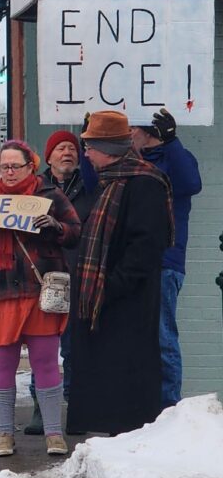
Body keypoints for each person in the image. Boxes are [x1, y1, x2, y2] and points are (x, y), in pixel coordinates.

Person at [0, 140, 80, 458]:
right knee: (2, 365)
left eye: (15, 166)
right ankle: (4, 435)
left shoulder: (50, 196)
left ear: (30, 167)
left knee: (46, 363)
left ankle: (54, 434)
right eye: (3, 167)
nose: (9, 172)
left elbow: (75, 232)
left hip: (39, 294)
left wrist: (56, 227)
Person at [68, 111, 173, 436]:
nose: (86, 154)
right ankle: (111, 433)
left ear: (108, 149)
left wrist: (112, 285)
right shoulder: (111, 181)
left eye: (90, 147)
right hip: (107, 298)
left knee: (127, 374)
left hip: (128, 299)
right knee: (107, 372)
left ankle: (126, 437)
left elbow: (146, 245)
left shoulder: (144, 183)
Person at [22, 130, 97, 435]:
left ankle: (77, 409)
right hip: (44, 278)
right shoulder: (36, 189)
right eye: (60, 148)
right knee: (43, 348)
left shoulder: (90, 186)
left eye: (72, 149)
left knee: (76, 349)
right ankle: (41, 409)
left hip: (79, 276)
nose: (67, 153)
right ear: (48, 156)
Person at [129, 109, 201, 410]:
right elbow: (95, 186)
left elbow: (190, 184)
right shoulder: (129, 163)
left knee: (162, 336)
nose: (127, 135)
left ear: (148, 132)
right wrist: (89, 144)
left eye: (132, 129)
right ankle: (138, 404)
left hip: (164, 261)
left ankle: (169, 407)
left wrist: (171, 141)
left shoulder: (176, 158)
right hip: (130, 262)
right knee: (131, 337)